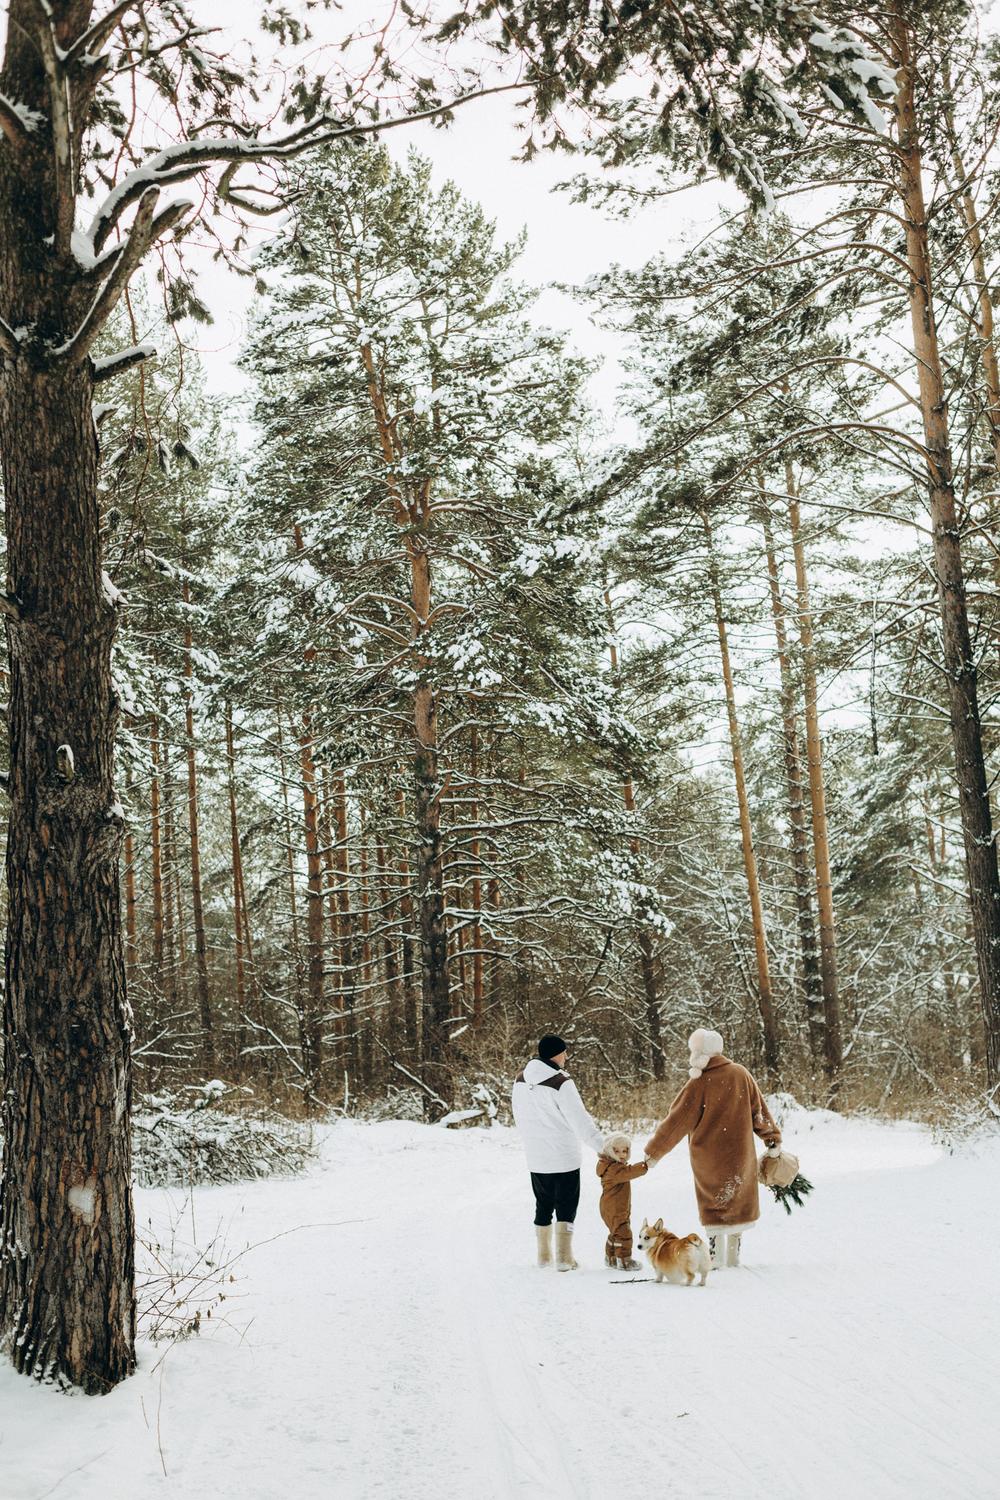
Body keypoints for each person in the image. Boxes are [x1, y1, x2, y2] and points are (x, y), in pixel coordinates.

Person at [644, 1027, 781, 1269]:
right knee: (738, 1197)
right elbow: (759, 1111)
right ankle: (733, 1253)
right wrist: (771, 1139)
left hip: (708, 1157)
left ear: (699, 1053)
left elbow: (676, 1121)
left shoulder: (698, 1082)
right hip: (740, 1152)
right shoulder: (741, 1074)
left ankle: (715, 1253)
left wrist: (653, 1152)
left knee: (714, 1201)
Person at [511, 1034, 605, 1271]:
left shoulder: (520, 1080)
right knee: (566, 1205)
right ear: (555, 1054)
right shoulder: (561, 1082)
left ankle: (543, 1256)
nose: (566, 1056)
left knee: (542, 1203)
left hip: (536, 1157)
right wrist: (602, 1148)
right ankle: (564, 1258)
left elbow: (519, 1116)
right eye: (564, 1052)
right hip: (564, 1157)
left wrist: (531, 1141)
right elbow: (580, 1121)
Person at [596, 1132, 648, 1270]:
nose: (621, 1154)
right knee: (624, 1233)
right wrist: (645, 1165)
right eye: (617, 1151)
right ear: (609, 1151)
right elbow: (629, 1172)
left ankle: (611, 1258)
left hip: (610, 1206)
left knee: (616, 1232)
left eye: (625, 1151)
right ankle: (625, 1261)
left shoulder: (609, 1166)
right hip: (615, 1208)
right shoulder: (614, 1169)